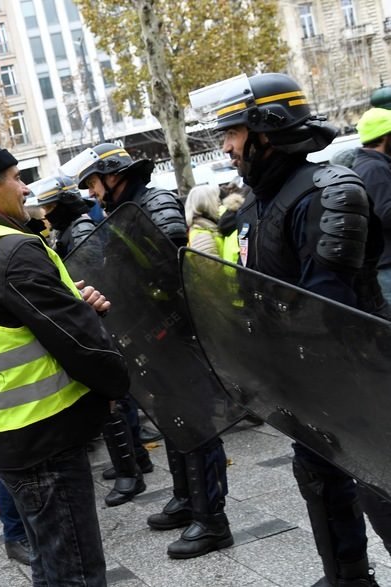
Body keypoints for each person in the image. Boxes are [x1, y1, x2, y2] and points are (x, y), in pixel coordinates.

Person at [201, 71, 389, 585]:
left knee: (383, 490)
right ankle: (348, 578)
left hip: (360, 379)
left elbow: (324, 308)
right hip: (302, 383)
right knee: (320, 481)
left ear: (268, 129)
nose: (227, 146)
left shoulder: (330, 191)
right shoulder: (254, 207)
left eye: (234, 133)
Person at [0, 141, 130, 585]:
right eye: (16, 178)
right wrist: (115, 385)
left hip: (10, 433)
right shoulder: (12, 251)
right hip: (45, 437)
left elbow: (20, 322)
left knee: (52, 564)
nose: (25, 189)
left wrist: (77, 307)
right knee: (76, 574)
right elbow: (78, 343)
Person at [79, 142, 232, 558]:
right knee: (173, 420)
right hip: (154, 335)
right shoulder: (123, 211)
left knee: (197, 425)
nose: (92, 192)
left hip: (180, 333)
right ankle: (187, 500)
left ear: (113, 175)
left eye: (94, 182)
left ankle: (212, 520)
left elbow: (170, 257)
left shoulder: (156, 201)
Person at [32, 175, 151, 509]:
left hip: (101, 320)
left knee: (114, 401)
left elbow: (90, 275)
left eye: (50, 206)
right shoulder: (67, 230)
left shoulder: (81, 230)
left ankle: (131, 470)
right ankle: (134, 460)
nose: (46, 213)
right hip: (92, 321)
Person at [352, 107, 391, 305]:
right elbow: (386, 213)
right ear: (386, 137)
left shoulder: (370, 165)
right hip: (387, 266)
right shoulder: (374, 168)